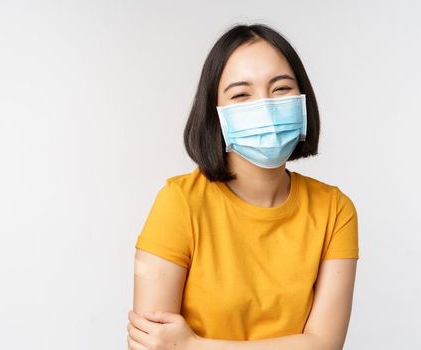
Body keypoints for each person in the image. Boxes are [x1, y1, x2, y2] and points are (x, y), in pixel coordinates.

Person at [127, 23, 359, 350]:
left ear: (302, 98)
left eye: (280, 89)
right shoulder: (179, 203)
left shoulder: (334, 210)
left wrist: (193, 346)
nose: (264, 106)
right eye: (241, 94)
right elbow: (152, 345)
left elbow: (324, 345)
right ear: (216, 114)